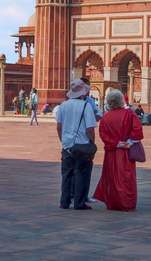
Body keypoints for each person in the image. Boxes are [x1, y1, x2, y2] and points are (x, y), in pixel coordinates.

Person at [93, 88, 144, 212]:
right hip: (127, 151)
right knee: (127, 177)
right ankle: (127, 203)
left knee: (112, 177)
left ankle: (113, 203)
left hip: (113, 151)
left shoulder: (105, 117)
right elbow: (137, 129)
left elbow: (103, 134)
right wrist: (129, 142)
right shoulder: (130, 114)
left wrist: (116, 143)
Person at [54, 79, 98, 210]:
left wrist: (63, 141)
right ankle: (79, 203)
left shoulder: (63, 105)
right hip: (82, 145)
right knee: (81, 174)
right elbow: (90, 129)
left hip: (67, 145)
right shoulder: (86, 106)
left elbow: (59, 126)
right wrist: (92, 143)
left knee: (66, 174)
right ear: (83, 93)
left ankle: (64, 202)